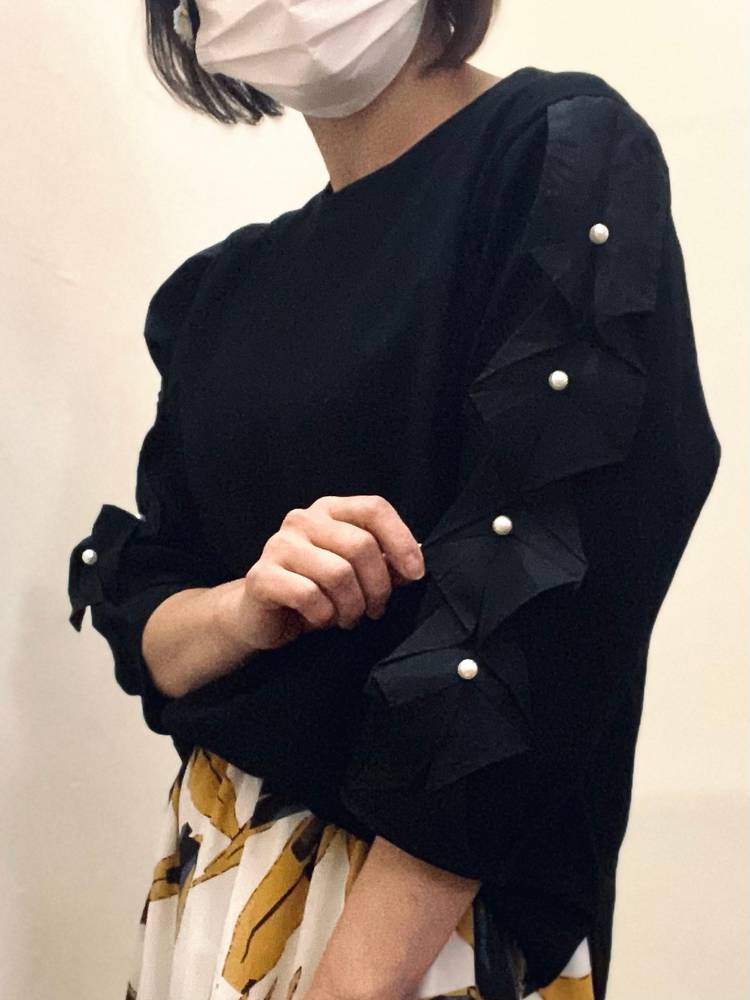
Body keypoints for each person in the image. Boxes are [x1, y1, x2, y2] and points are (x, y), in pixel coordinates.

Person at [66, 1, 722, 999]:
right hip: (208, 886)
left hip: (419, 929)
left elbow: (549, 596)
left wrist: (356, 979)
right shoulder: (219, 292)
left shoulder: (556, 155)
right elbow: (153, 611)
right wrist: (242, 609)